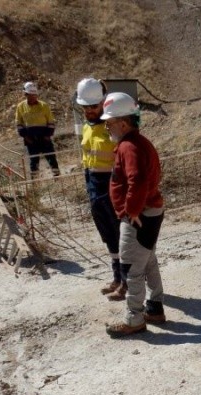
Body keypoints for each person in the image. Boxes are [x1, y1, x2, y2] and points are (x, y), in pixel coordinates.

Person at [102, 92, 166, 337]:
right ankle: (155, 308)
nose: (107, 127)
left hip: (139, 215)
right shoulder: (140, 143)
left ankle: (134, 318)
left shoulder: (129, 147)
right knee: (148, 260)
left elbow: (136, 180)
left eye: (109, 123)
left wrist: (132, 210)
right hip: (149, 210)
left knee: (132, 268)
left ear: (123, 123)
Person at [76, 78, 126, 300]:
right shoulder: (87, 126)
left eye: (93, 106)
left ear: (102, 102)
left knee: (121, 234)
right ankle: (117, 277)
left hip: (112, 186)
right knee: (108, 236)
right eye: (85, 107)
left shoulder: (112, 125)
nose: (89, 111)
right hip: (93, 186)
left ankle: (128, 281)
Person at [15, 81, 60, 178]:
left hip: (44, 138)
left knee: (51, 158)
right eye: (30, 95)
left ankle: (58, 178)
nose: (32, 97)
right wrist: (26, 137)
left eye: (34, 95)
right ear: (25, 94)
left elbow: (51, 122)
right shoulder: (20, 107)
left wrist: (48, 136)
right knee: (33, 161)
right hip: (30, 140)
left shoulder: (44, 106)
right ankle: (35, 182)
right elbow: (19, 124)